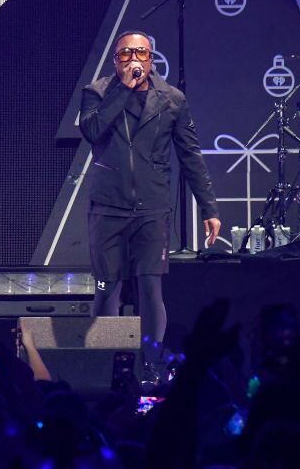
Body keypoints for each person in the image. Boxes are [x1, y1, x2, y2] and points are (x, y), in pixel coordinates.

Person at [79, 30, 220, 383]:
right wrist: (123, 89)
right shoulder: (96, 93)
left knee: (149, 286)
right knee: (106, 286)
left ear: (151, 59)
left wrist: (209, 208)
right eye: (125, 54)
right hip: (107, 205)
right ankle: (108, 368)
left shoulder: (171, 99)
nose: (133, 59)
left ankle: (152, 366)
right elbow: (93, 131)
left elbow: (190, 155)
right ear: (116, 61)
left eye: (140, 52)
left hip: (152, 207)